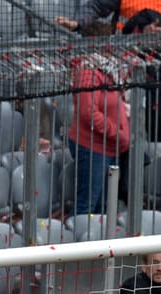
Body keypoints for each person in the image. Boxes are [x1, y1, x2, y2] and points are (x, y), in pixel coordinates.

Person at [66, 57, 130, 216]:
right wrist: (117, 133)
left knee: (104, 207)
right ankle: (77, 232)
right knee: (87, 204)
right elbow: (88, 112)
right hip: (93, 147)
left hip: (112, 147)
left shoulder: (110, 72)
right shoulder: (88, 72)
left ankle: (98, 232)